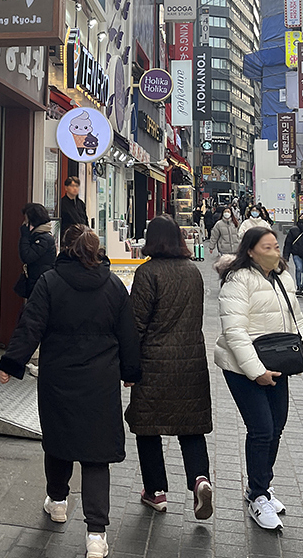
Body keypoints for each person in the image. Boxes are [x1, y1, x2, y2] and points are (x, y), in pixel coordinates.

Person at [0, 224, 141, 558]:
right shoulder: (114, 286)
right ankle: (96, 535)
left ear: (65, 248)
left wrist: (11, 363)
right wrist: (131, 372)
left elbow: (30, 325)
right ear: (97, 250)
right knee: (97, 454)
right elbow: (128, 333)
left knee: (59, 441)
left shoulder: (49, 282)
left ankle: (58, 501)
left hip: (58, 376)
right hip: (100, 380)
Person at [214, 228, 303, 530]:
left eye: (276, 246)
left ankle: (260, 484)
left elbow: (299, 321)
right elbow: (234, 332)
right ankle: (258, 496)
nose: (275, 251)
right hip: (242, 367)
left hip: (277, 363)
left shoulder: (283, 277)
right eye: (267, 247)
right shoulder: (238, 280)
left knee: (277, 427)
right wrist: (256, 371)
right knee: (261, 429)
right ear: (250, 251)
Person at [125, 215, 213, 520]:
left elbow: (136, 324)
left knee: (147, 426)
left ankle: (156, 491)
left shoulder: (147, 273)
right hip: (191, 362)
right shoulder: (193, 272)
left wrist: (128, 366)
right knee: (191, 426)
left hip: (154, 363)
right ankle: (200, 479)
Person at [15, 203, 57, 377]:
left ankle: (33, 358)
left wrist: (24, 235)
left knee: (31, 321)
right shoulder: (40, 235)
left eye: (26, 219)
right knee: (28, 319)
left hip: (40, 285)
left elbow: (27, 256)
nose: (24, 222)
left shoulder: (43, 238)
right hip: (36, 283)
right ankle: (27, 356)